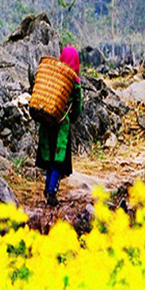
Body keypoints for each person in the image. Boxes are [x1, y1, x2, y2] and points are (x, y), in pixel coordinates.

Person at [36, 46, 83, 206]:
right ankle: (51, 191)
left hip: (46, 121)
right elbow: (78, 107)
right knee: (58, 160)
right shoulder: (73, 83)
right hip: (62, 125)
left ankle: (47, 185)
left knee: (49, 158)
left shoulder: (52, 77)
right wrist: (71, 118)